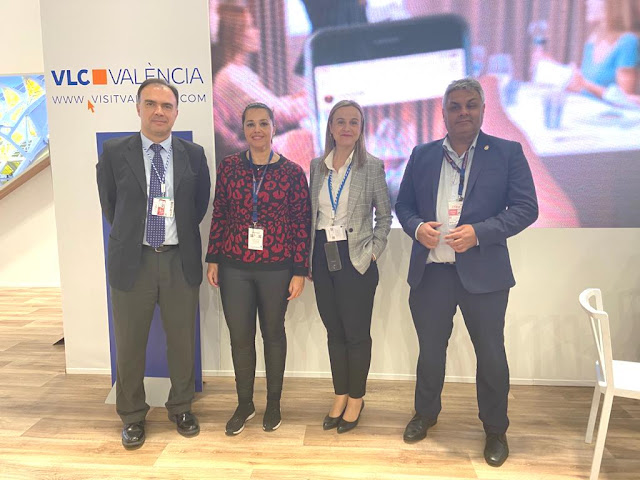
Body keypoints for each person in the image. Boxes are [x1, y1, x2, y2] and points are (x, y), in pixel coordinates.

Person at [395, 78, 538, 467]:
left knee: (490, 353)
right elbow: (403, 205)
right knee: (430, 351)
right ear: (443, 113)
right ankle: (425, 414)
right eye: (455, 106)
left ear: (483, 109)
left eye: (471, 105)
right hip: (432, 272)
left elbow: (526, 208)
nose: (463, 112)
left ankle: (495, 429)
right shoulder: (422, 154)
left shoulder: (507, 152)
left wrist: (479, 233)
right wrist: (416, 227)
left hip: (485, 273)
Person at [96, 78, 211, 449]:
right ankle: (132, 416)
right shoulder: (115, 152)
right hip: (134, 260)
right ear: (138, 108)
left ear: (176, 112)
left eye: (166, 106)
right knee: (130, 344)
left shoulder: (193, 154)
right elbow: (111, 204)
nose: (159, 111)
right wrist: (137, 236)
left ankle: (181, 407)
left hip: (179, 259)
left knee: (182, 341)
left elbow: (198, 205)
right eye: (151, 104)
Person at [206, 102, 311, 435]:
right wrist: (213, 257)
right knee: (240, 337)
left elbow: (301, 223)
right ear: (243, 129)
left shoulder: (292, 172)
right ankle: (245, 404)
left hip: (277, 267)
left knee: (273, 334)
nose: (257, 130)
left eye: (263, 123)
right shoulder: (229, 167)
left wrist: (300, 270)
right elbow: (220, 212)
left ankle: (274, 403)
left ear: (274, 128)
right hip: (234, 265)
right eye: (250, 124)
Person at [309, 100, 392, 433]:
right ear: (330, 127)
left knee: (356, 335)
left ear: (361, 129)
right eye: (340, 121)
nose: (346, 127)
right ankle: (340, 394)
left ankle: (356, 398)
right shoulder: (317, 166)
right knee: (334, 332)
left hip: (356, 257)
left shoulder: (371, 166)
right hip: (322, 254)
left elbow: (384, 216)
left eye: (353, 122)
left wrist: (373, 253)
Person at [211, 2, 312, 170]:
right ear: (236, 35)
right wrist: (311, 100)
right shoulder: (231, 76)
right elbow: (276, 115)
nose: (256, 32)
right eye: (250, 27)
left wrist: (297, 98)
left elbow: (272, 106)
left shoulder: (239, 72)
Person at [568, 0, 640, 101]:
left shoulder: (628, 42)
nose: (587, 2)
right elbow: (585, 89)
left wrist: (585, 84)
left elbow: (625, 100)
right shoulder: (593, 39)